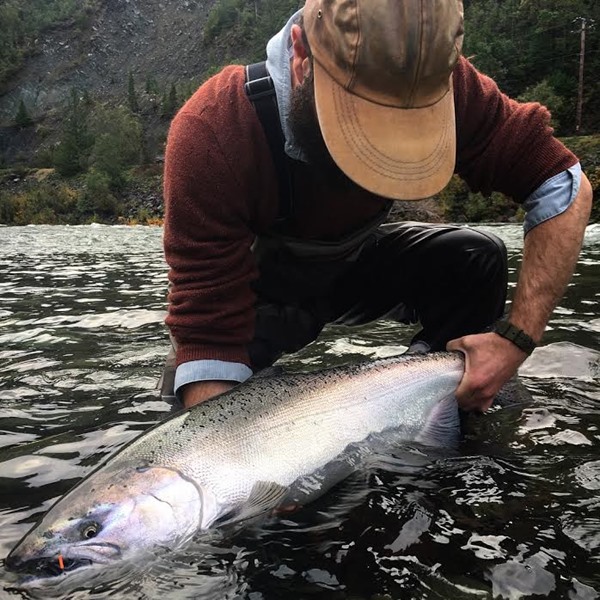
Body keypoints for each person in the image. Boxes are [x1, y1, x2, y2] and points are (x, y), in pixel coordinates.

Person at [162, 0, 592, 412]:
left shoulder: (445, 83)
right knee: (188, 418)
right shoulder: (214, 130)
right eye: (358, 117)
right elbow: (207, 331)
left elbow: (564, 185)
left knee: (475, 258)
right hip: (257, 299)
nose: (374, 152)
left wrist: (515, 340)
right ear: (300, 54)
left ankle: (441, 403)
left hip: (352, 270)